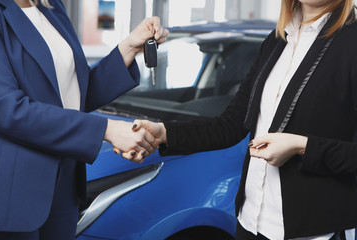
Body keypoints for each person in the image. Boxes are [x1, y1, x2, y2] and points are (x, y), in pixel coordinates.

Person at [126, 0, 357, 239]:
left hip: (311, 231)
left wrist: (302, 147)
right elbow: (231, 124)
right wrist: (164, 133)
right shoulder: (278, 40)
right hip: (250, 221)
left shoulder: (351, 42)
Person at [0, 0, 168, 239]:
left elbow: (76, 95)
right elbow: (8, 110)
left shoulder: (51, 7)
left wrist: (129, 47)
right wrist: (107, 129)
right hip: (15, 194)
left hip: (65, 183)